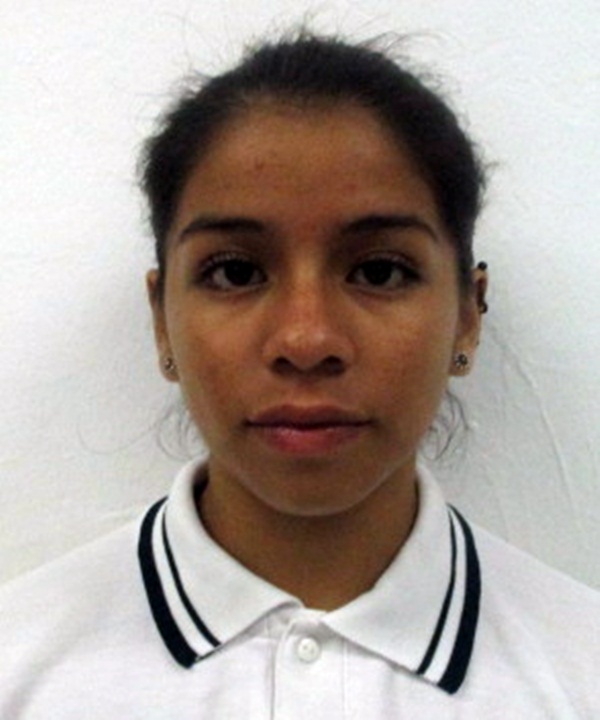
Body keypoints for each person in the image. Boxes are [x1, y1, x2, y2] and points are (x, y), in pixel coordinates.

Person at [1, 31, 599, 719]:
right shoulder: (20, 669)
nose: (307, 340)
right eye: (235, 272)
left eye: (380, 271)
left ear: (468, 314)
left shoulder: (581, 671)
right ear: (162, 320)